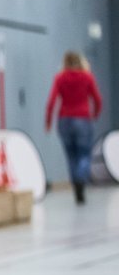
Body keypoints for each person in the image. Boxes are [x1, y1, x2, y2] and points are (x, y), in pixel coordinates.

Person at [45, 50, 102, 204]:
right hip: (83, 119)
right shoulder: (87, 77)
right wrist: (95, 114)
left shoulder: (60, 78)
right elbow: (97, 99)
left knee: (71, 156)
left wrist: (48, 122)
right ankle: (81, 181)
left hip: (64, 120)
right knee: (84, 154)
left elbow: (51, 101)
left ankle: (76, 184)